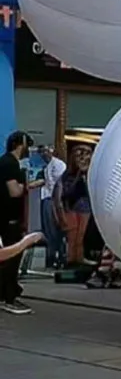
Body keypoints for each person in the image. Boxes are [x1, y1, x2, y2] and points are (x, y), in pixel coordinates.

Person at [0, 131, 36, 315]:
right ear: (20, 145)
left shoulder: (5, 161)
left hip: (6, 217)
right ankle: (8, 297)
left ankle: (6, 292)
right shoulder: (11, 164)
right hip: (9, 218)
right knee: (12, 256)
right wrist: (24, 184)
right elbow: (15, 191)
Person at [53, 145, 93, 267]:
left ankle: (78, 258)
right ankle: (71, 259)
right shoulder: (66, 176)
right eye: (79, 155)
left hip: (83, 207)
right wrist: (59, 214)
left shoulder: (87, 174)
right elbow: (61, 195)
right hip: (70, 207)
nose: (83, 158)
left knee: (80, 236)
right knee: (72, 235)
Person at [39, 146, 66, 269]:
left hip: (54, 200)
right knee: (48, 230)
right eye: (41, 152)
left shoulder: (58, 165)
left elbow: (60, 184)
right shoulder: (47, 167)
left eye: (45, 151)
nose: (44, 154)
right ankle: (51, 257)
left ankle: (60, 257)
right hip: (46, 198)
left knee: (56, 230)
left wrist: (58, 204)